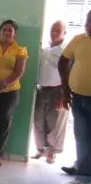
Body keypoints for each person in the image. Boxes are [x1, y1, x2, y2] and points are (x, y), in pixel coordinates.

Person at [59, 10, 91, 184]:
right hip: (78, 99)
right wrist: (65, 90)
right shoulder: (79, 40)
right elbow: (62, 62)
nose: (89, 25)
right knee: (81, 137)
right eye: (88, 21)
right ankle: (83, 178)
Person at [0, 19, 28, 156]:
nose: (7, 32)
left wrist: (2, 84)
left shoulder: (20, 50)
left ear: (14, 33)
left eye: (10, 30)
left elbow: (18, 72)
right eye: (4, 29)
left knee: (4, 121)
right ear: (0, 31)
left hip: (10, 92)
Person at [33, 21, 68, 164]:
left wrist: (63, 95)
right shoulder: (45, 50)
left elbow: (68, 74)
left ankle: (52, 152)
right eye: (52, 29)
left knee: (54, 122)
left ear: (64, 33)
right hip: (42, 89)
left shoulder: (66, 51)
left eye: (58, 30)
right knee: (38, 120)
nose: (54, 33)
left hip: (58, 91)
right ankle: (41, 149)